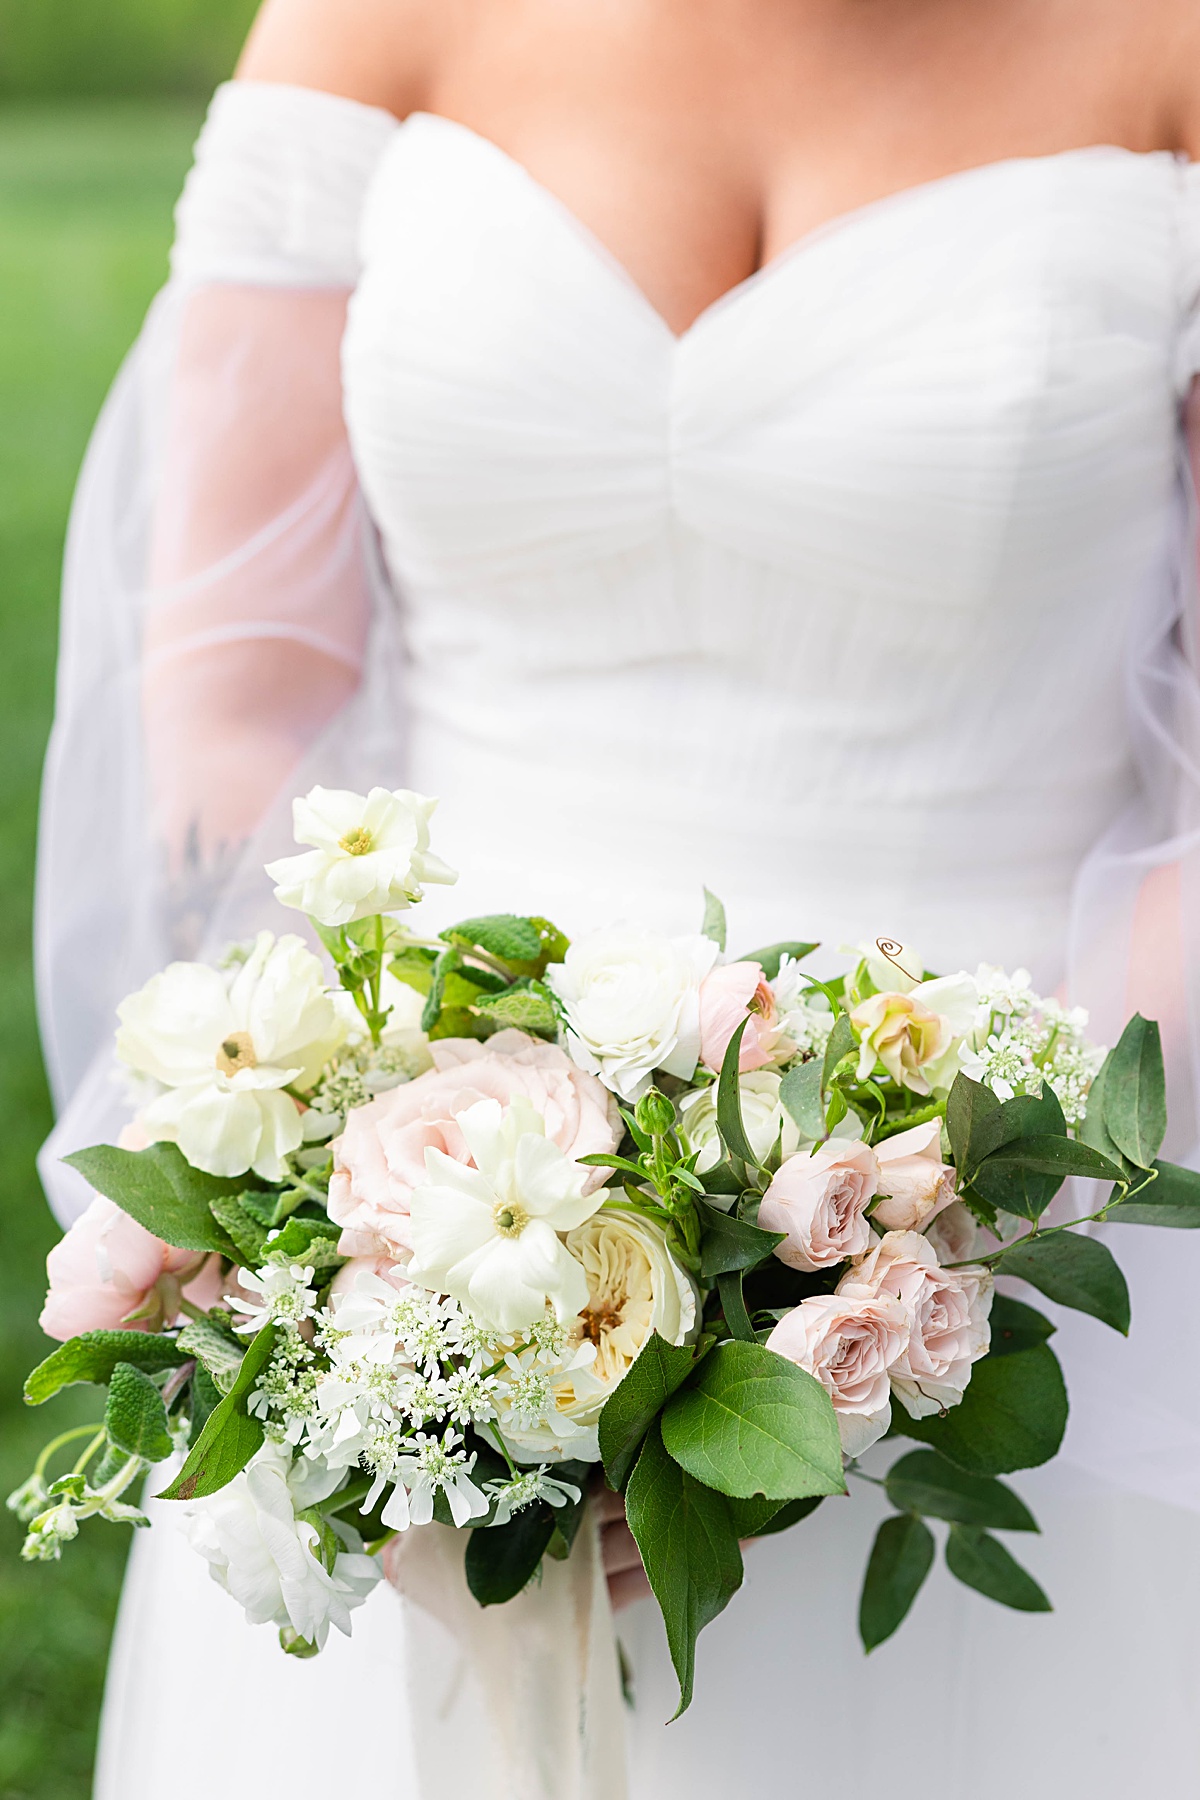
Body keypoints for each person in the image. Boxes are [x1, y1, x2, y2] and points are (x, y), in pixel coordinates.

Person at [33, 0, 1200, 1793]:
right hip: (419, 1210)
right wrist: (344, 1222)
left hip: (1002, 1199)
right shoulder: (366, 23)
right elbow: (231, 714)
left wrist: (927, 1238)